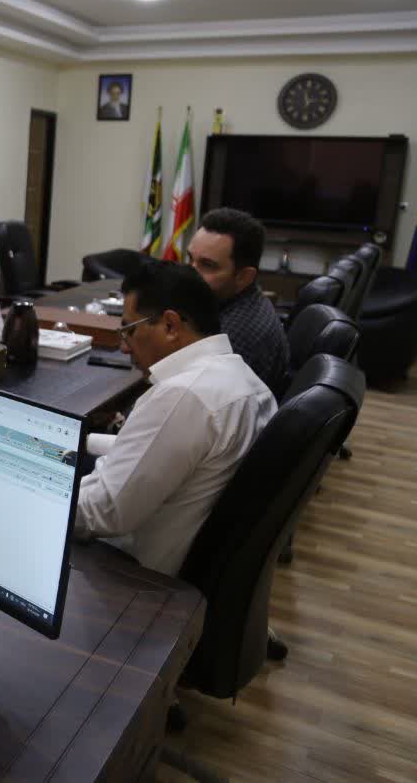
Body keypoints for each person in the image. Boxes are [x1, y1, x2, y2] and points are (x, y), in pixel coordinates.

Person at [74, 262, 277, 575]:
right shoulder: (243, 378)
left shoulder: (184, 395)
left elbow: (102, 512)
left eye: (129, 330)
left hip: (133, 573)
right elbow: (156, 450)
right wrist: (82, 441)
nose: (124, 347)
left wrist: (37, 495)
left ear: (170, 325)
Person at [186, 207, 290, 397]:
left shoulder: (230, 342)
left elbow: (192, 401)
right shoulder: (246, 302)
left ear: (243, 277)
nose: (189, 274)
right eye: (190, 259)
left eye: (207, 265)